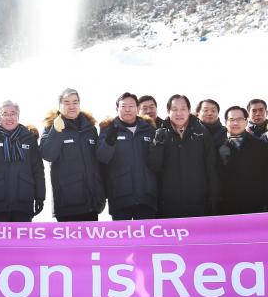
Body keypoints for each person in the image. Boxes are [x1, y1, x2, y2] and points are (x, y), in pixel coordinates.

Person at [0, 100, 44, 221]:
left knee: (22, 239)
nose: (9, 117)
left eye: (13, 113)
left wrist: (40, 196)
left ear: (18, 116)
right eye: (5, 114)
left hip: (23, 202)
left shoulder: (28, 137)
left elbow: (38, 169)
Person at [40, 89, 105, 222]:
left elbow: (98, 162)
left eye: (75, 102)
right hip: (67, 203)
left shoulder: (90, 129)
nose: (72, 106)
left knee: (91, 242)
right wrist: (56, 131)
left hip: (91, 202)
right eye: (67, 102)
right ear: (59, 106)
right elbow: (48, 155)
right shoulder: (51, 128)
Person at [148, 94, 218, 218]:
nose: (179, 113)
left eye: (183, 109)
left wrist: (212, 198)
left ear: (189, 111)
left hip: (198, 202)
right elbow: (154, 166)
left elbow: (211, 168)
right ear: (168, 111)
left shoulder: (202, 132)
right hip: (169, 204)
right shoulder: (160, 133)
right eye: (174, 109)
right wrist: (157, 144)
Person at [96, 92, 158, 220]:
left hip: (146, 198)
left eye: (131, 106)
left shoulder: (149, 129)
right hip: (120, 198)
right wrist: (109, 141)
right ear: (117, 109)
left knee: (146, 238)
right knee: (122, 240)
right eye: (123, 106)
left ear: (137, 108)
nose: (128, 109)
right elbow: (102, 158)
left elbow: (156, 160)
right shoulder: (108, 129)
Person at [216, 105, 268, 215]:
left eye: (240, 119)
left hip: (255, 206)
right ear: (225, 122)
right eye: (231, 120)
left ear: (246, 122)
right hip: (226, 207)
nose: (235, 123)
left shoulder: (260, 145)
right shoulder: (217, 146)